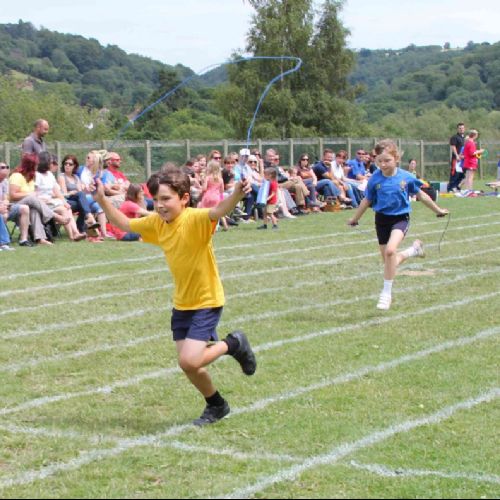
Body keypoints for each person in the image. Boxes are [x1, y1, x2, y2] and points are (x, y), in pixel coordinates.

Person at [94, 166, 257, 426]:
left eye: (166, 198)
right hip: (182, 303)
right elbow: (123, 223)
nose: (159, 205)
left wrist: (237, 194)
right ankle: (217, 405)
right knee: (189, 365)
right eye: (155, 199)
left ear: (184, 198)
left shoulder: (195, 219)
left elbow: (218, 211)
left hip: (206, 300)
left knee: (189, 360)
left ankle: (233, 344)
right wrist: (102, 200)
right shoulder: (157, 223)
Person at [347, 140, 449, 311]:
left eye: (387, 160)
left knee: (390, 251)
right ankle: (413, 250)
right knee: (390, 262)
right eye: (379, 161)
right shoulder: (374, 179)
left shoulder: (406, 177)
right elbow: (367, 200)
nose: (383, 164)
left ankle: (386, 294)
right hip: (381, 220)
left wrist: (438, 210)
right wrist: (354, 218)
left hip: (400, 219)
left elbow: (421, 196)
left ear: (396, 159)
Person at [36, 152, 86, 242]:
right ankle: (72, 236)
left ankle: (75, 233)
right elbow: (34, 193)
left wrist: (64, 202)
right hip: (41, 203)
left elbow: (57, 191)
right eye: (51, 161)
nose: (52, 164)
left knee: (67, 208)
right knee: (64, 210)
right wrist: (43, 199)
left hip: (51, 202)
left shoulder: (49, 174)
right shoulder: (37, 175)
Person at [58, 154, 100, 233]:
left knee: (83, 201)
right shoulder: (62, 177)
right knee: (83, 202)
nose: (67, 165)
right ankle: (88, 219)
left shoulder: (76, 177)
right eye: (65, 163)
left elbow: (80, 191)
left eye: (70, 164)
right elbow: (64, 194)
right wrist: (71, 192)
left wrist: (87, 188)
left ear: (74, 166)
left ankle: (82, 228)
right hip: (66, 201)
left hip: (75, 200)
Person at [199, 160, 228, 231]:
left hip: (208, 196)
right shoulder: (220, 179)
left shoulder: (208, 177)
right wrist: (221, 198)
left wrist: (202, 183)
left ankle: (205, 225)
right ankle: (223, 226)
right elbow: (222, 190)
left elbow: (204, 188)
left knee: (204, 211)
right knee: (218, 212)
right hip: (216, 197)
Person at [447, 123, 466, 192]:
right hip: (456, 159)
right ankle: (450, 188)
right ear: (457, 129)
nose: (461, 129)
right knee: (454, 173)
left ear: (464, 129)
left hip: (463, 159)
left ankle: (457, 188)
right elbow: (453, 147)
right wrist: (457, 155)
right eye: (460, 128)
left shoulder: (464, 138)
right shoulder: (454, 137)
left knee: (462, 174)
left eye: (462, 128)